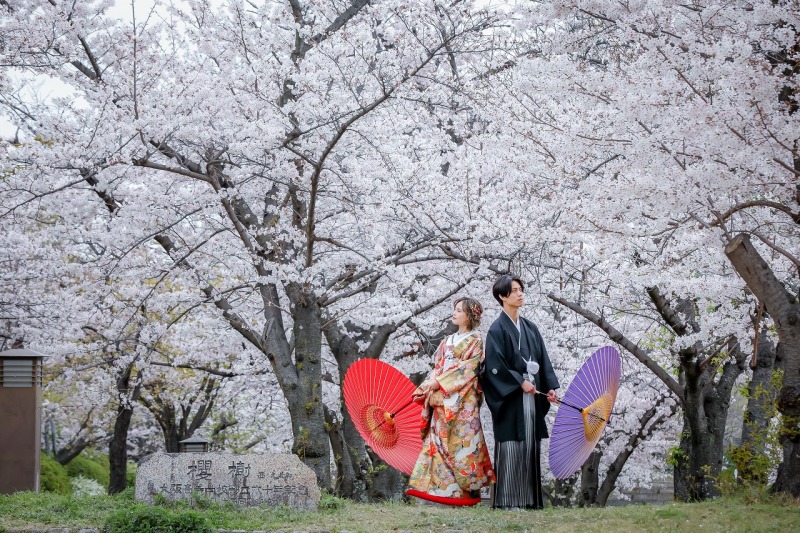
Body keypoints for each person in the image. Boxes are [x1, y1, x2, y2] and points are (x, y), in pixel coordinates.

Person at [406, 296, 495, 505]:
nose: (454, 313)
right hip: (440, 397)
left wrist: (439, 383)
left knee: (463, 444)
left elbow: (469, 369)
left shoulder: (475, 340)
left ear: (470, 316)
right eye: (454, 309)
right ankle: (440, 490)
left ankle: (465, 493)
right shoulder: (447, 341)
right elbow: (437, 368)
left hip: (463, 400)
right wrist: (426, 386)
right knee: (438, 441)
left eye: (459, 310)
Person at [481, 274, 560, 509]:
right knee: (512, 445)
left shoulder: (530, 327)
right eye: (514, 290)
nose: (520, 293)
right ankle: (508, 500)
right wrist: (518, 382)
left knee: (530, 444)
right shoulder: (496, 329)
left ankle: (529, 500)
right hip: (511, 398)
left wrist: (550, 387)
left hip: (533, 393)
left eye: (521, 289)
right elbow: (494, 367)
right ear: (502, 296)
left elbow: (543, 359)